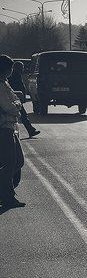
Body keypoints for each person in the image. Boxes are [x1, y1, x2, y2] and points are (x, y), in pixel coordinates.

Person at [0, 55, 25, 209]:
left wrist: (16, 105)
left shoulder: (5, 83)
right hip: (4, 128)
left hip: (10, 127)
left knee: (17, 161)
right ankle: (7, 196)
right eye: (10, 68)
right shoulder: (0, 85)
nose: (12, 71)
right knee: (9, 164)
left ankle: (6, 192)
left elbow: (16, 100)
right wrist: (17, 107)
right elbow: (9, 106)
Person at [8, 61, 39, 138]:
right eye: (21, 67)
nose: (23, 69)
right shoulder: (14, 75)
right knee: (23, 115)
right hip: (15, 98)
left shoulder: (16, 74)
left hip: (16, 98)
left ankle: (31, 130)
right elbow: (18, 87)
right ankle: (30, 130)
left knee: (23, 115)